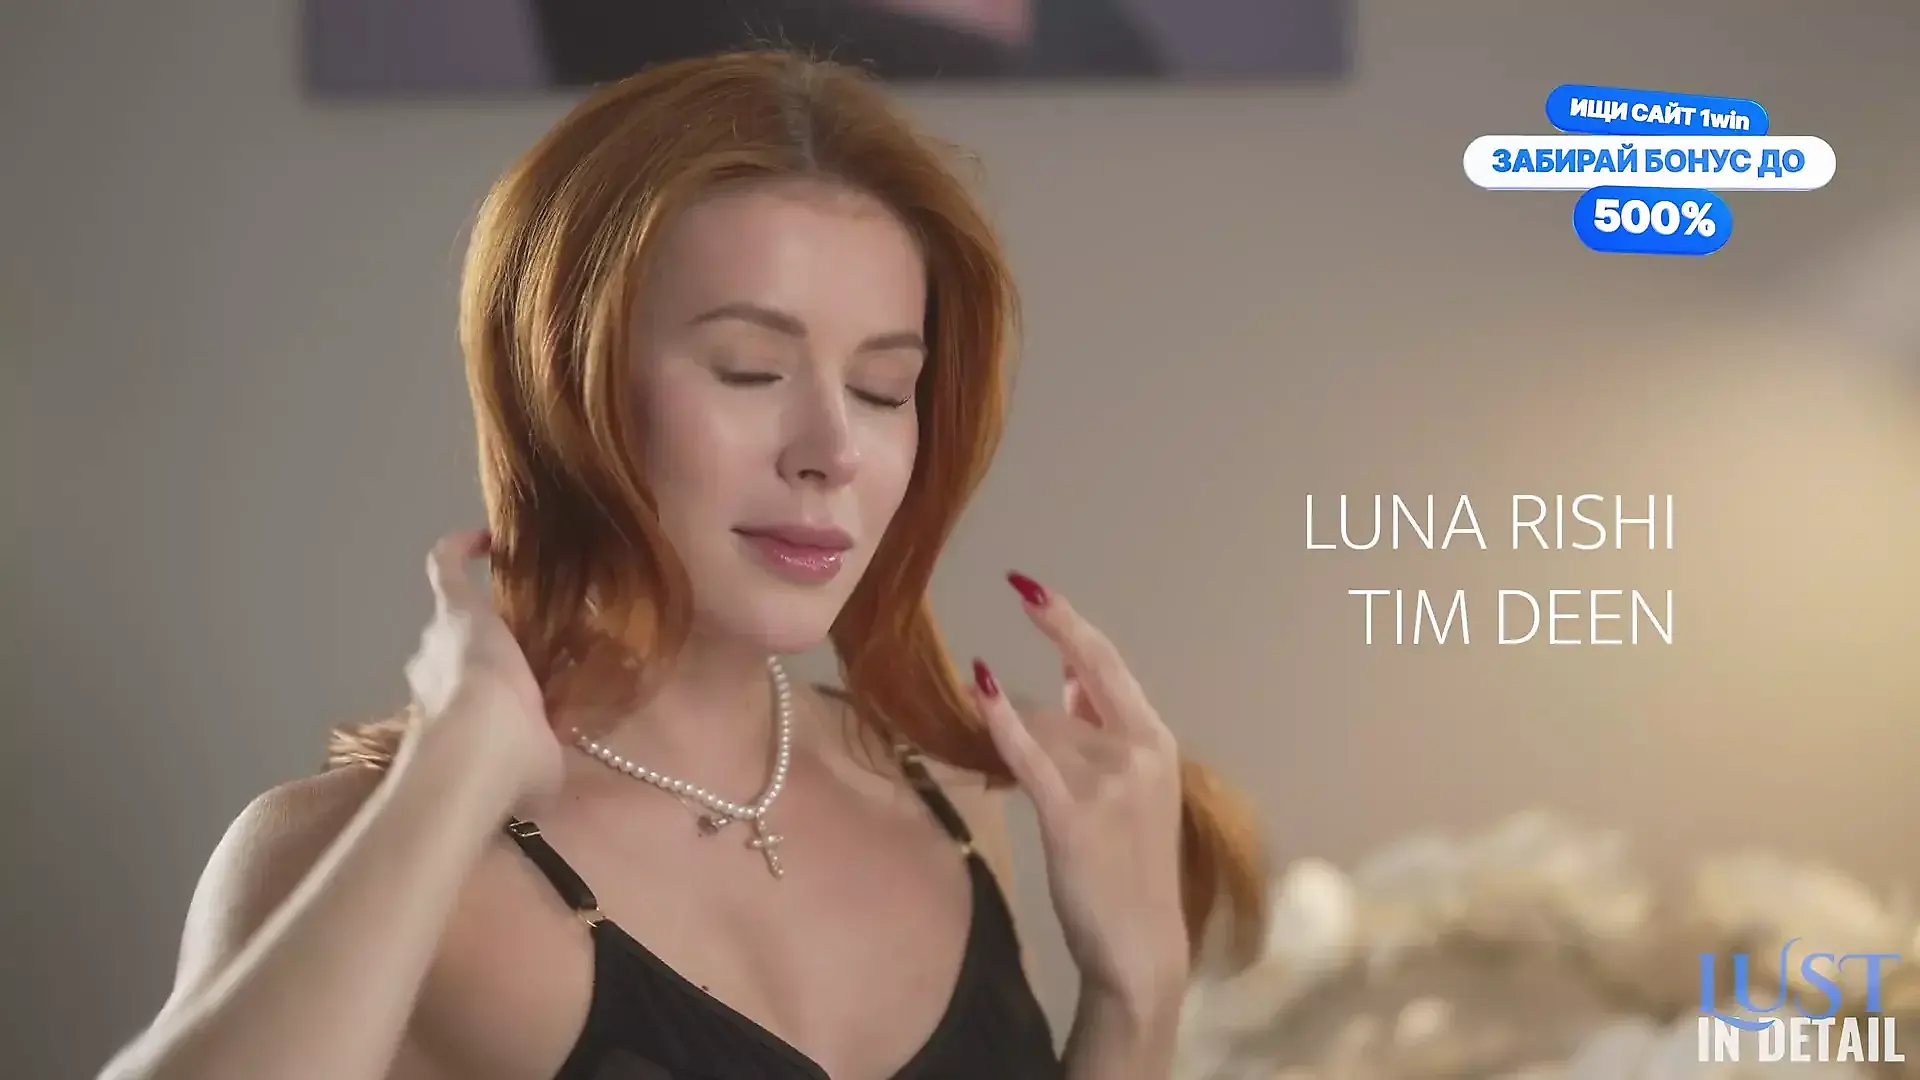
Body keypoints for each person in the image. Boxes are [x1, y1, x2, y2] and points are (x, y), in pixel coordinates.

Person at [99, 48, 1265, 1080]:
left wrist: (1137, 994)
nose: (831, 450)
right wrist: (450, 780)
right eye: (751, 369)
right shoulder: (349, 852)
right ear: (569, 387)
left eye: (882, 389)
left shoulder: (951, 805)